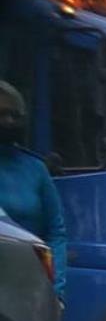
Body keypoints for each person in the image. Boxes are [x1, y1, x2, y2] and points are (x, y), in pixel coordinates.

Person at [0, 80, 66, 298]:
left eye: (14, 115)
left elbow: (56, 232)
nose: (8, 121)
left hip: (27, 290)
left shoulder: (35, 169)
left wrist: (56, 290)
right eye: (1, 114)